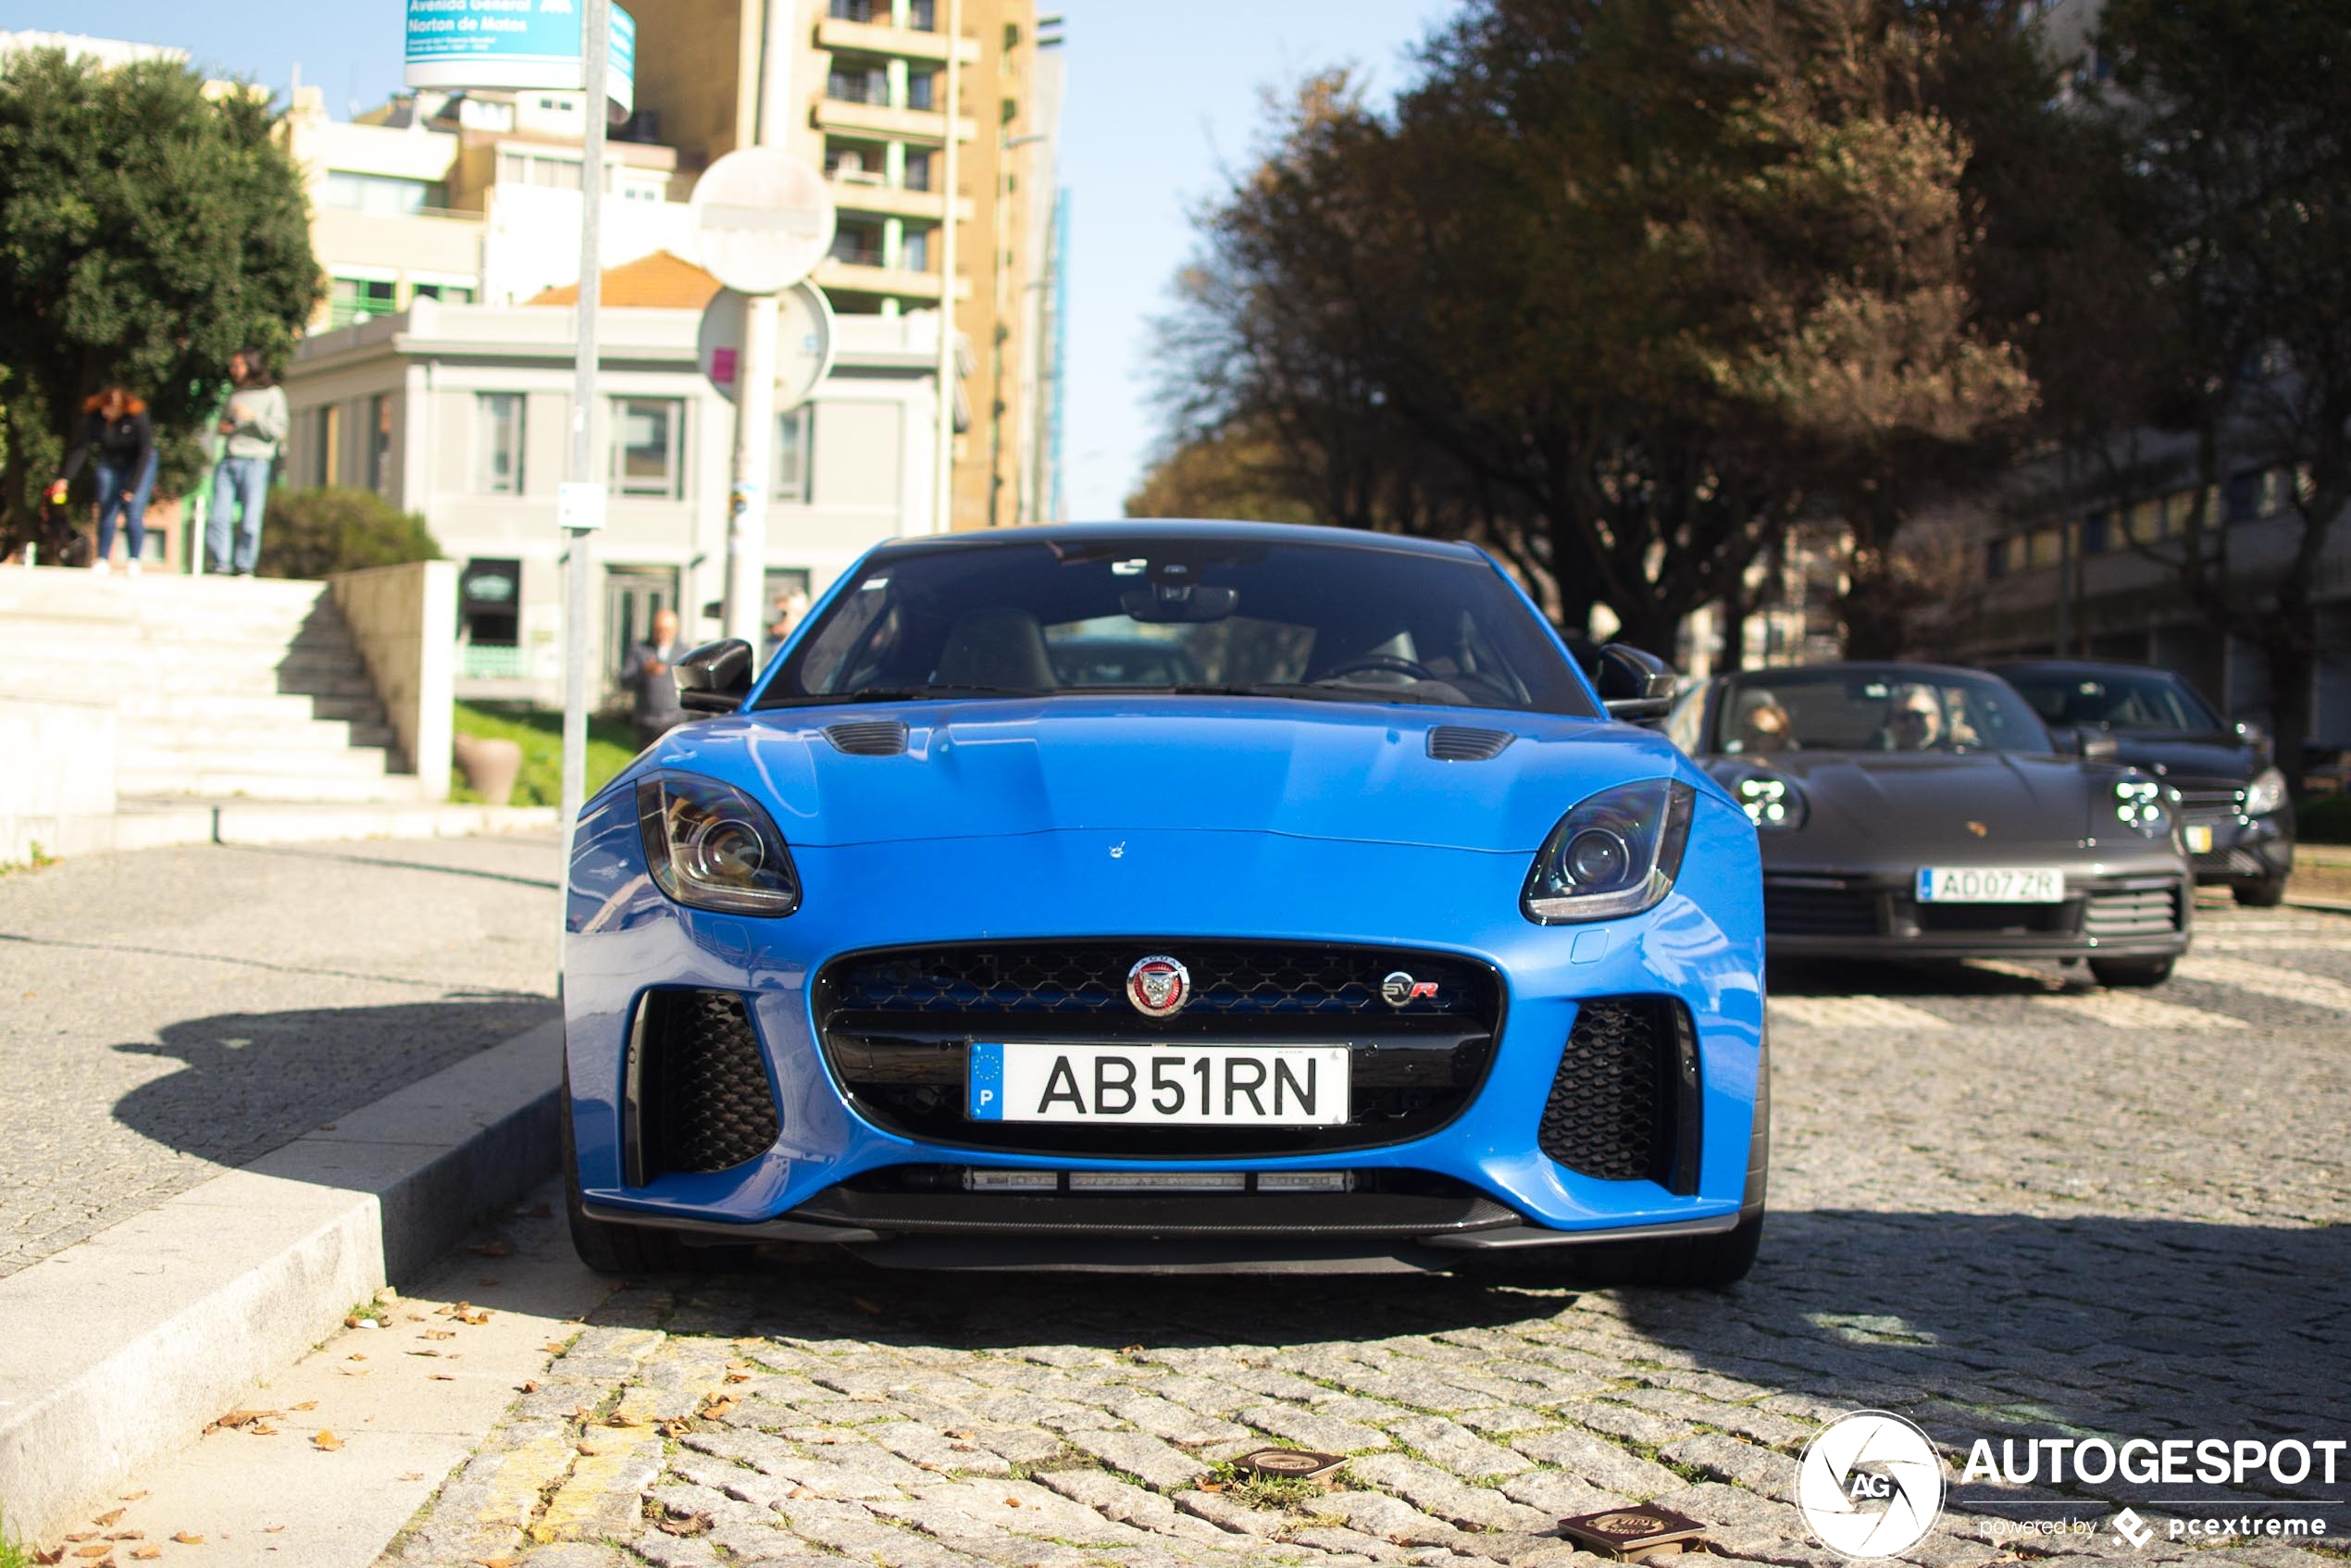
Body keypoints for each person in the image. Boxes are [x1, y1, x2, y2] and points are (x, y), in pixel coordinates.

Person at [50, 388, 155, 575]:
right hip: (110, 463)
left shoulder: (137, 418)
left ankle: (134, 559)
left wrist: (132, 487)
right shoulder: (94, 419)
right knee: (107, 507)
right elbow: (80, 449)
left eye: (113, 409)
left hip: (138, 464)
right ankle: (102, 558)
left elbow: (145, 453)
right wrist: (65, 478)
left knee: (134, 511)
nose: (108, 413)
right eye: (106, 408)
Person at [208, 349, 288, 576]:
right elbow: (223, 426)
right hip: (229, 459)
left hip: (256, 462)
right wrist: (225, 427)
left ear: (252, 365)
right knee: (218, 516)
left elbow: (278, 431)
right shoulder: (234, 393)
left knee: (250, 519)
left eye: (238, 365)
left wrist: (254, 418)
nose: (233, 370)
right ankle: (220, 564)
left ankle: (245, 566)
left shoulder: (273, 394)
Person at [624, 607, 692, 751]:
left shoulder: (684, 652)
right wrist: (644, 671)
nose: (662, 634)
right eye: (658, 630)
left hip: (674, 721)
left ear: (675, 630)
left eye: (667, 630)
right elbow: (625, 682)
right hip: (647, 721)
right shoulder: (640, 650)